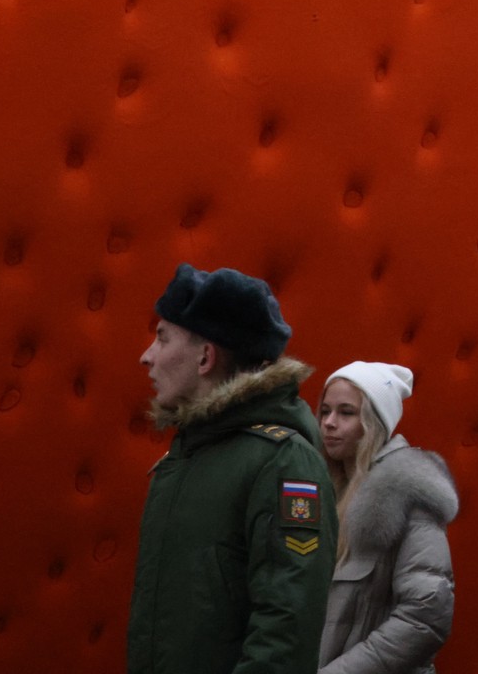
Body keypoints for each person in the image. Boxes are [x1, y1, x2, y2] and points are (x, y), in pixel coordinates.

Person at [128, 263, 335, 674]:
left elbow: (285, 628)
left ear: (206, 357)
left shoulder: (283, 462)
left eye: (162, 337)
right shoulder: (187, 455)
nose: (146, 356)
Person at [317, 361, 458, 674]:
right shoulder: (324, 491)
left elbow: (425, 617)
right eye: (325, 411)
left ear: (374, 421)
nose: (329, 422)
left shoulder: (407, 493)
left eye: (346, 412)